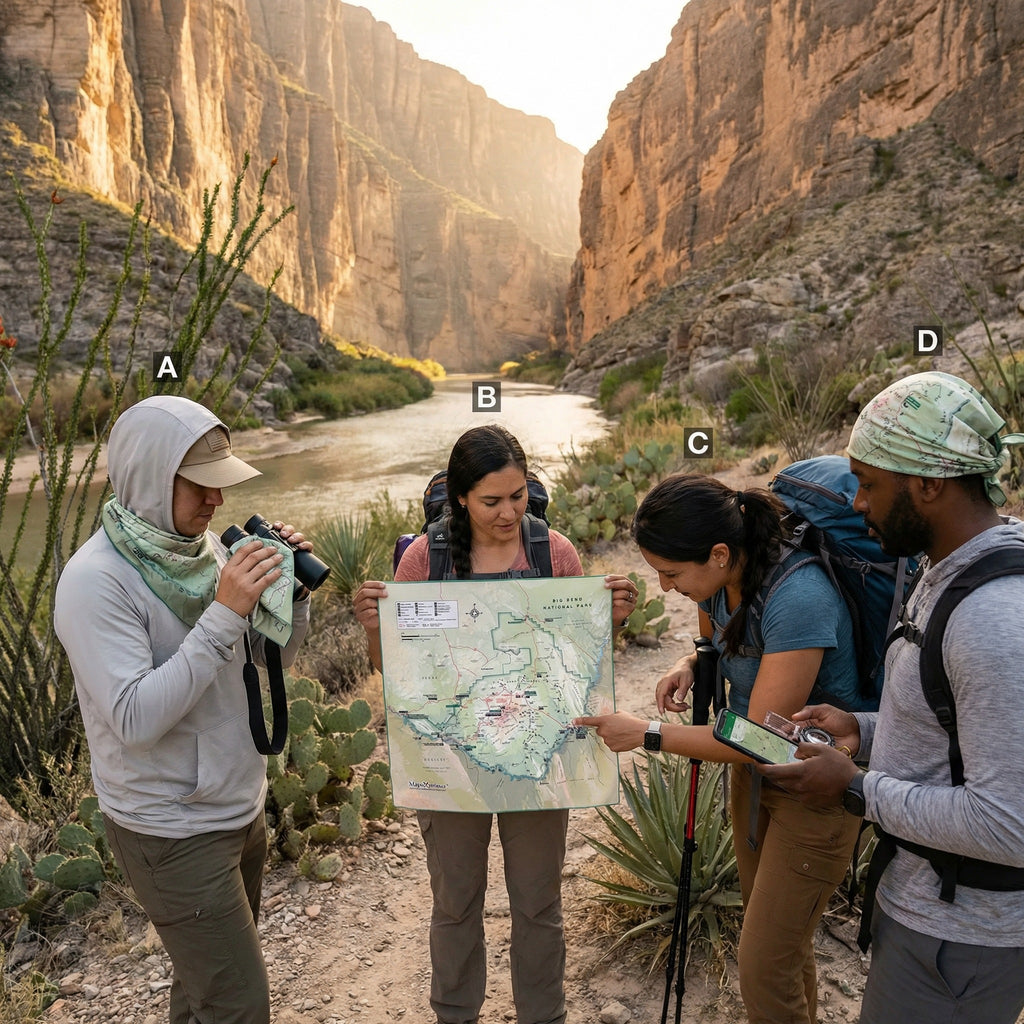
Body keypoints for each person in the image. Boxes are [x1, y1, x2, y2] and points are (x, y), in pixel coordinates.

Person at [760, 371, 1024, 1024]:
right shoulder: (945, 568)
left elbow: (1008, 823)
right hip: (929, 916)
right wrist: (863, 728)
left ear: (929, 484)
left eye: (869, 484)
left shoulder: (993, 616)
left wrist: (855, 788)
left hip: (960, 943)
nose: (857, 504)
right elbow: (955, 728)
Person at [353, 424, 636, 1024]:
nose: (509, 513)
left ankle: (544, 1015)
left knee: (539, 904)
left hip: (539, 759)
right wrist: (376, 627)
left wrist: (606, 619)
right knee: (455, 903)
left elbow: (579, 662)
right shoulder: (424, 558)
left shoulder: (554, 552)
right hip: (451, 763)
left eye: (518, 497)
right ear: (459, 498)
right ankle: (455, 1014)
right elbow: (395, 673)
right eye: (491, 501)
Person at [55, 395, 314, 1024]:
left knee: (203, 995)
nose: (216, 502)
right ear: (150, 477)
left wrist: (291, 598)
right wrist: (225, 612)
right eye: (200, 486)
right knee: (239, 1006)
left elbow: (264, 659)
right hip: (169, 828)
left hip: (235, 804)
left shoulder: (201, 552)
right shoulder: (95, 582)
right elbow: (135, 718)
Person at [575, 473, 863, 1024]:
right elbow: (725, 647)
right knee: (783, 951)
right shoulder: (724, 582)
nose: (663, 588)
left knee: (762, 968)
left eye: (671, 573)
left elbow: (761, 737)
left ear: (720, 552)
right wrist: (688, 665)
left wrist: (647, 734)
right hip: (758, 786)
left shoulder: (799, 597)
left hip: (814, 793)